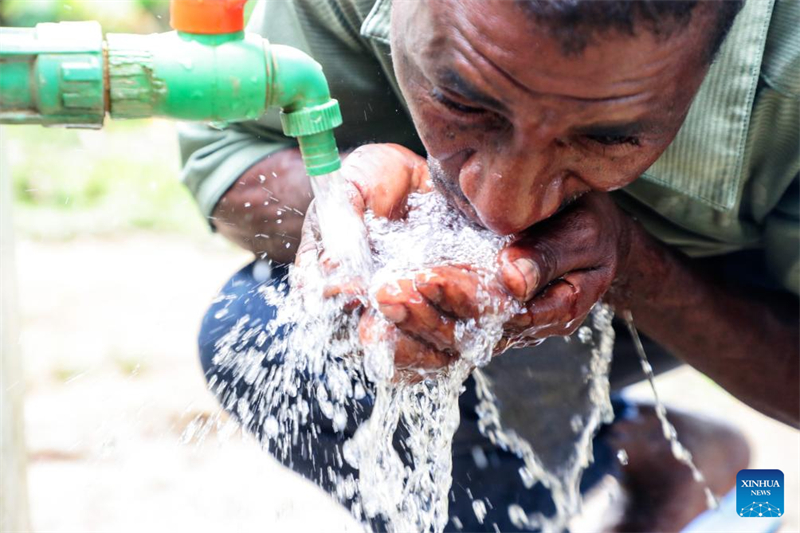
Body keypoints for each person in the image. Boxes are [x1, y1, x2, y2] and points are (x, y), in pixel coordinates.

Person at [179, 0, 798, 530]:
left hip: (730, 292)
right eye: (461, 103)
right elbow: (229, 154)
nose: (504, 209)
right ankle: (638, 445)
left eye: (608, 138)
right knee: (273, 340)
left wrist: (636, 267)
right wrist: (351, 210)